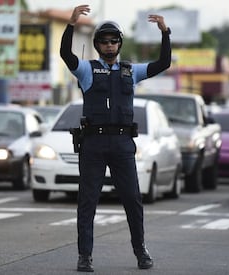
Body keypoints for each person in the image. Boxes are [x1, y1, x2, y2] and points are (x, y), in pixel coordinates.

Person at [60, 4, 171, 272]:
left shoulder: (131, 71)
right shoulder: (86, 70)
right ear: (97, 45)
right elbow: (65, 54)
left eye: (113, 41)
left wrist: (165, 33)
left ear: (119, 44)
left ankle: (141, 251)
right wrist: (71, 24)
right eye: (104, 42)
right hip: (93, 144)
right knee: (88, 201)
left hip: (122, 144)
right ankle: (84, 256)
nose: (109, 46)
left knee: (133, 198)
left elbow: (163, 63)